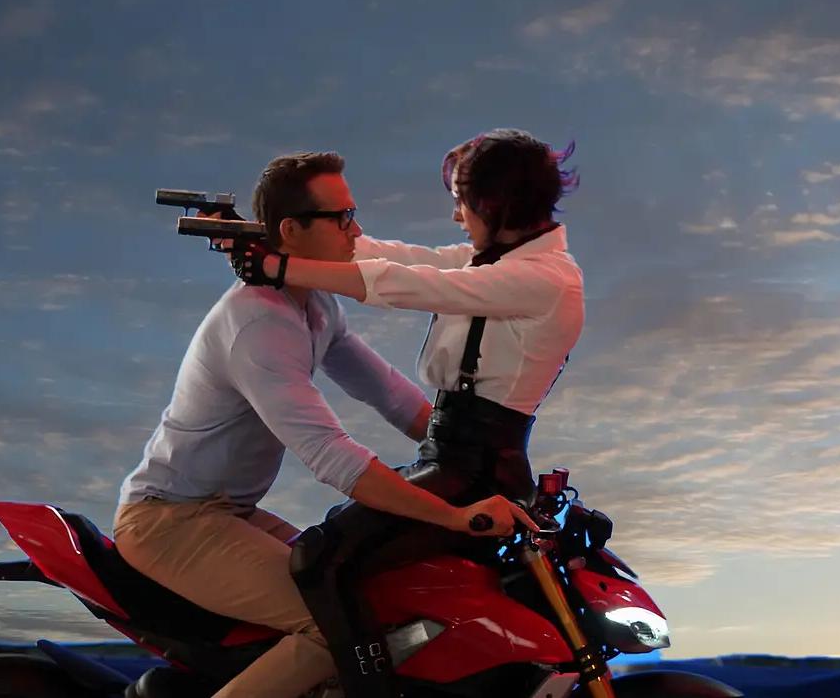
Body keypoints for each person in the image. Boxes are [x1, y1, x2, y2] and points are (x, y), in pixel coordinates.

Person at [114, 151, 536, 698]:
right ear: (291, 231)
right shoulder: (257, 326)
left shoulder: (316, 307)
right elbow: (333, 457)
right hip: (170, 520)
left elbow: (391, 396)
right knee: (332, 624)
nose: (355, 231)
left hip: (228, 511)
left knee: (368, 587)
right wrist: (456, 516)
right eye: (341, 218)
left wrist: (480, 458)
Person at [229, 129, 583, 696]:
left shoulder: (544, 279)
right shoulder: (494, 260)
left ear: (495, 204)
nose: (456, 215)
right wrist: (265, 239)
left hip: (474, 471)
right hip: (455, 461)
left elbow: (409, 284)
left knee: (320, 561)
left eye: (462, 201)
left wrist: (279, 268)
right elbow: (396, 257)